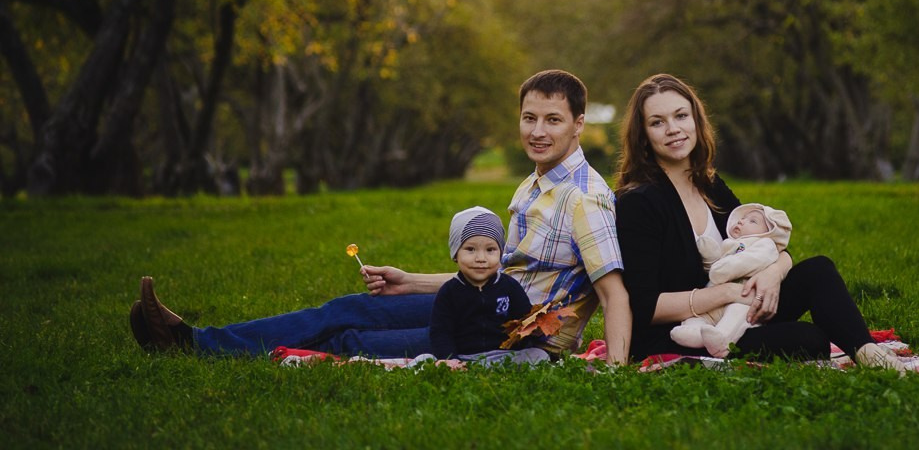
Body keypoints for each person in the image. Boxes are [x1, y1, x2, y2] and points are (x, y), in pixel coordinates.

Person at [130, 70, 631, 364]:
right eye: (529, 118)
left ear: (578, 125)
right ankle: (192, 341)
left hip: (510, 339)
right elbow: (493, 276)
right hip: (478, 306)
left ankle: (192, 346)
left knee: (351, 339)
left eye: (552, 120)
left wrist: (616, 369)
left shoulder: (586, 198)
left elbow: (613, 293)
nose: (537, 131)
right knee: (346, 309)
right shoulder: (534, 183)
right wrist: (407, 282)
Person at [614, 73, 907, 371]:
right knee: (810, 339)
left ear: (696, 121)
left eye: (680, 116)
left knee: (819, 269)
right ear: (643, 135)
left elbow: (766, 241)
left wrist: (773, 273)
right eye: (657, 122)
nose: (673, 129)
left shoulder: (709, 185)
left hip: (739, 311)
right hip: (682, 331)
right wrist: (727, 293)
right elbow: (644, 305)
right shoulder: (639, 202)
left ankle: (871, 354)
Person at [428, 206, 549, 366]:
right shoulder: (449, 291)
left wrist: (536, 327)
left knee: (540, 355)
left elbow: (524, 320)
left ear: (500, 253)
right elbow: (441, 331)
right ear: (455, 254)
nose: (481, 258)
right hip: (465, 356)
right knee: (426, 359)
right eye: (470, 249)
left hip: (504, 355)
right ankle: (456, 367)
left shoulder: (508, 286)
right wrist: (449, 359)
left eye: (490, 250)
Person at [668, 203, 791, 358]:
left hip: (744, 299)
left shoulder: (764, 244)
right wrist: (710, 256)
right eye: (743, 218)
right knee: (700, 317)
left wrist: (774, 272)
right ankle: (695, 334)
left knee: (736, 314)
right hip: (713, 299)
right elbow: (717, 265)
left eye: (752, 221)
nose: (741, 221)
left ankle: (722, 340)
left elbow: (750, 261)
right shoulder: (730, 244)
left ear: (770, 233)